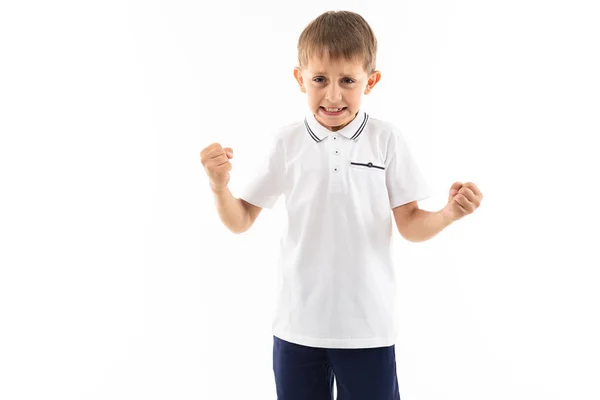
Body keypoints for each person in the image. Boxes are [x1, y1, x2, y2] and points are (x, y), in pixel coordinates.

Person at [200, 10, 483, 400]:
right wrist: (219, 187)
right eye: (319, 80)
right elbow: (241, 220)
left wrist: (450, 212)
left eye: (348, 80)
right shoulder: (286, 143)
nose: (333, 95)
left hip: (368, 328)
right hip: (297, 326)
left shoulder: (386, 140)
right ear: (300, 79)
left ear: (371, 80)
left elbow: (411, 224)